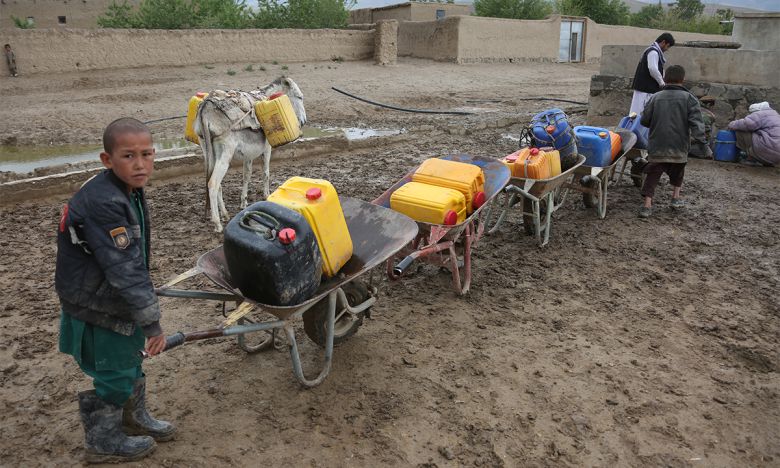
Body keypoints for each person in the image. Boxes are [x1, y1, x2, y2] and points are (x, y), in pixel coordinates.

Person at [56, 118, 175, 463]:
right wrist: (152, 324)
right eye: (128, 156)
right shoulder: (105, 202)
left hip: (110, 294)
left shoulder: (122, 187)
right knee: (115, 370)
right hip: (98, 304)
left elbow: (130, 263)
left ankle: (132, 418)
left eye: (146, 154)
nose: (140, 165)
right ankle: (102, 441)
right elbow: (125, 270)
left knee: (131, 358)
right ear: (107, 159)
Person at [638, 65, 710, 219]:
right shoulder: (690, 99)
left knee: (653, 173)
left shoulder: (655, 97)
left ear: (665, 78)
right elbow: (697, 124)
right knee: (678, 171)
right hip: (679, 145)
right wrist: (703, 144)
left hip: (657, 144)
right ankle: (675, 198)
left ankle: (647, 206)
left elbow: (644, 120)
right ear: (682, 79)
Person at [629, 33, 675, 116]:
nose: (667, 49)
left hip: (647, 90)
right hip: (645, 90)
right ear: (663, 42)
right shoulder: (653, 52)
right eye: (667, 46)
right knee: (639, 114)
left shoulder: (654, 52)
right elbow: (653, 69)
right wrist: (662, 83)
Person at [727, 101, 780, 167]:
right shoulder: (776, 114)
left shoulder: (760, 114)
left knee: (740, 131)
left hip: (766, 148)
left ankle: (751, 158)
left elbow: (746, 124)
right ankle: (768, 162)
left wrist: (731, 124)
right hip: (777, 155)